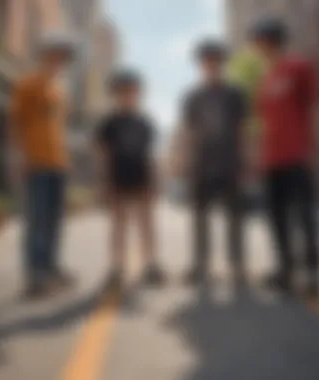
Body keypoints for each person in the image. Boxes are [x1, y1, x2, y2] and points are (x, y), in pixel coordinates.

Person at [251, 18, 319, 296]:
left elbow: (314, 105)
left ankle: (313, 272)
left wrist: (315, 147)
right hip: (271, 161)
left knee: (304, 216)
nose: (255, 47)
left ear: (270, 39)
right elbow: (265, 123)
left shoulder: (298, 66)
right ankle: (285, 269)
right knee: (276, 217)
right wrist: (259, 157)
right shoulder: (265, 79)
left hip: (297, 156)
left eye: (258, 41)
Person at [9, 32, 76, 299]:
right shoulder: (27, 85)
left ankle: (50, 268)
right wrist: (19, 156)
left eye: (61, 58)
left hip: (58, 163)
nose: (57, 61)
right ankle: (35, 276)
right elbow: (15, 123)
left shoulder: (59, 91)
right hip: (35, 162)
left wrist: (65, 160)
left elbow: (58, 129)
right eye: (54, 55)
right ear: (43, 55)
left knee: (54, 221)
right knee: (36, 221)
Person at [180, 39, 248, 287]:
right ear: (201, 65)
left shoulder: (235, 94)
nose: (211, 64)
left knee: (235, 217)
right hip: (202, 165)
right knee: (200, 218)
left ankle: (237, 265)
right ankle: (201, 264)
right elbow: (188, 132)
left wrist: (246, 161)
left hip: (230, 163)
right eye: (206, 61)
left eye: (215, 60)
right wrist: (186, 161)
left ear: (222, 63)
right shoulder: (193, 97)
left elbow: (242, 130)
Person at [94, 69, 164, 290]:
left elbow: (152, 155)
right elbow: (103, 156)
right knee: (118, 225)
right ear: (115, 94)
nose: (128, 95)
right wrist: (104, 183)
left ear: (139, 93)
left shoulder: (145, 122)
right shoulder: (108, 123)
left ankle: (151, 264)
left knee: (147, 225)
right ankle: (116, 267)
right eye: (122, 91)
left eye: (132, 91)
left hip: (142, 179)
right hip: (118, 179)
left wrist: (155, 181)